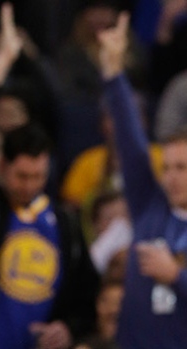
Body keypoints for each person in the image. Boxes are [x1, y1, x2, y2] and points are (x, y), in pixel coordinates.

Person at [0, 4, 99, 349]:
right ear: (2, 168)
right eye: (21, 176)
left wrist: (69, 328)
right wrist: (1, 63)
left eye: (38, 176)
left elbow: (86, 297)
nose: (30, 185)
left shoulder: (64, 223)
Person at [97, 10, 187, 348]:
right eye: (168, 167)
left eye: (182, 168)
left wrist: (176, 276)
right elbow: (131, 143)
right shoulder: (150, 205)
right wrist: (113, 73)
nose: (172, 177)